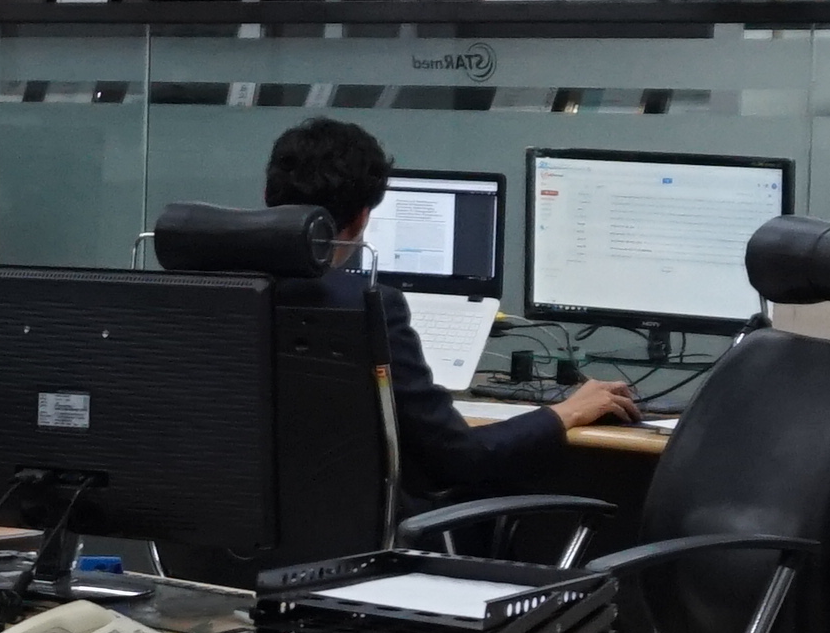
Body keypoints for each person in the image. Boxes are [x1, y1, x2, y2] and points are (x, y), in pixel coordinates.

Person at [263, 116, 634, 502]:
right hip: (353, 530)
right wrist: (565, 412)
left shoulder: (225, 293)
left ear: (266, 195)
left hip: (236, 530)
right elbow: (457, 458)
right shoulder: (367, 305)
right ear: (362, 218)